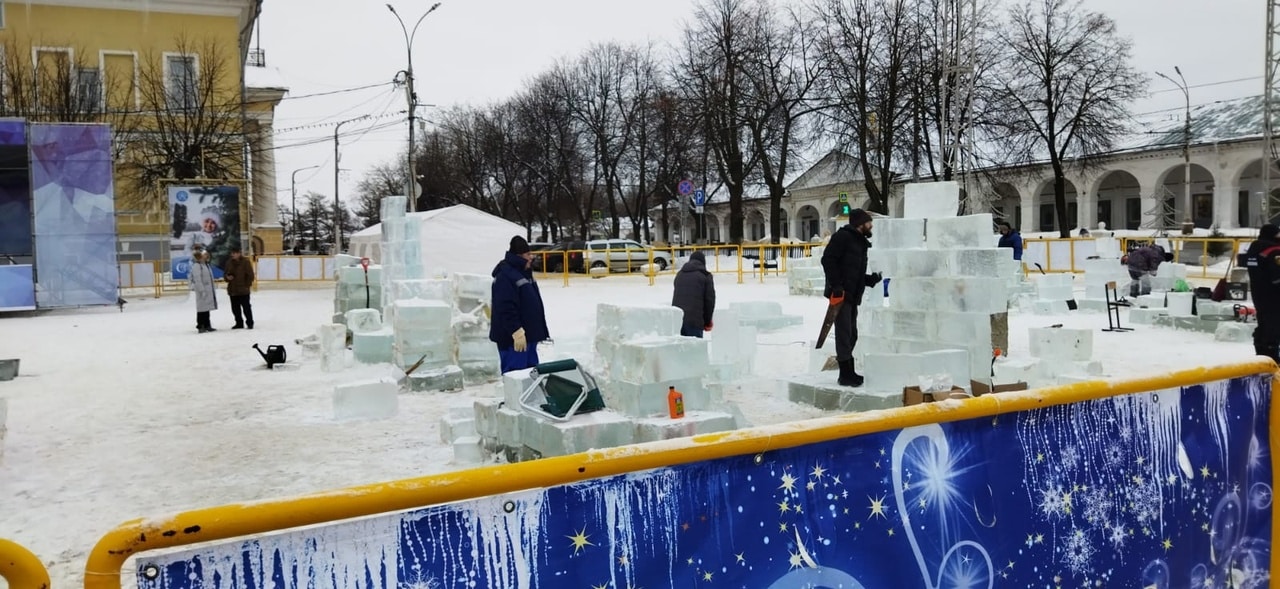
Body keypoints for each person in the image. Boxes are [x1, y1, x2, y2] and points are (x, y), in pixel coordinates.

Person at [821, 208, 882, 387]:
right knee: (844, 334)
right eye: (869, 223)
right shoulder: (843, 237)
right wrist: (837, 286)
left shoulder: (859, 242)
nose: (871, 226)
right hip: (841, 295)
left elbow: (853, 272)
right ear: (860, 224)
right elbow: (828, 260)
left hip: (852, 295)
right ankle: (845, 374)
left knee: (852, 335)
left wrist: (870, 280)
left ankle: (848, 371)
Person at [490, 236, 551, 373]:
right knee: (516, 376)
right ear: (518, 256)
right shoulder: (505, 276)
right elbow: (505, 306)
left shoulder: (523, 273)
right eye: (528, 254)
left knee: (531, 377)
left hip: (528, 337)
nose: (531, 257)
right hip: (514, 340)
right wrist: (516, 331)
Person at [1245, 224, 1280, 363]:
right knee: (1274, 326)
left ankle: (1262, 354)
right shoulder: (1274, 251)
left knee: (1264, 323)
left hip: (1258, 294)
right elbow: (1277, 277)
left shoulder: (1254, 249)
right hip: (1275, 296)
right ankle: (1272, 358)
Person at [672, 251, 716, 338]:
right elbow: (709, 301)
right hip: (695, 322)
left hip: (677, 321)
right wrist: (707, 322)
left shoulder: (680, 274)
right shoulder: (705, 276)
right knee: (695, 350)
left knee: (680, 350)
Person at [224, 247, 255, 329]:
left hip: (243, 290)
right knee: (235, 309)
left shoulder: (245, 262)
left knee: (246, 308)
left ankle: (250, 322)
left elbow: (250, 275)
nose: (232, 255)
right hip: (233, 290)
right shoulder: (229, 263)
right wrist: (227, 277)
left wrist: (246, 286)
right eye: (232, 253)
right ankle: (239, 323)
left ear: (239, 253)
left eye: (234, 253)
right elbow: (225, 275)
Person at [189, 250, 219, 333]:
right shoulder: (197, 266)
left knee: (207, 308)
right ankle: (200, 325)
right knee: (201, 309)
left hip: (208, 290)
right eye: (205, 255)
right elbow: (197, 279)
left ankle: (207, 325)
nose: (206, 257)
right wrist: (202, 290)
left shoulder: (206, 265)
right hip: (202, 290)